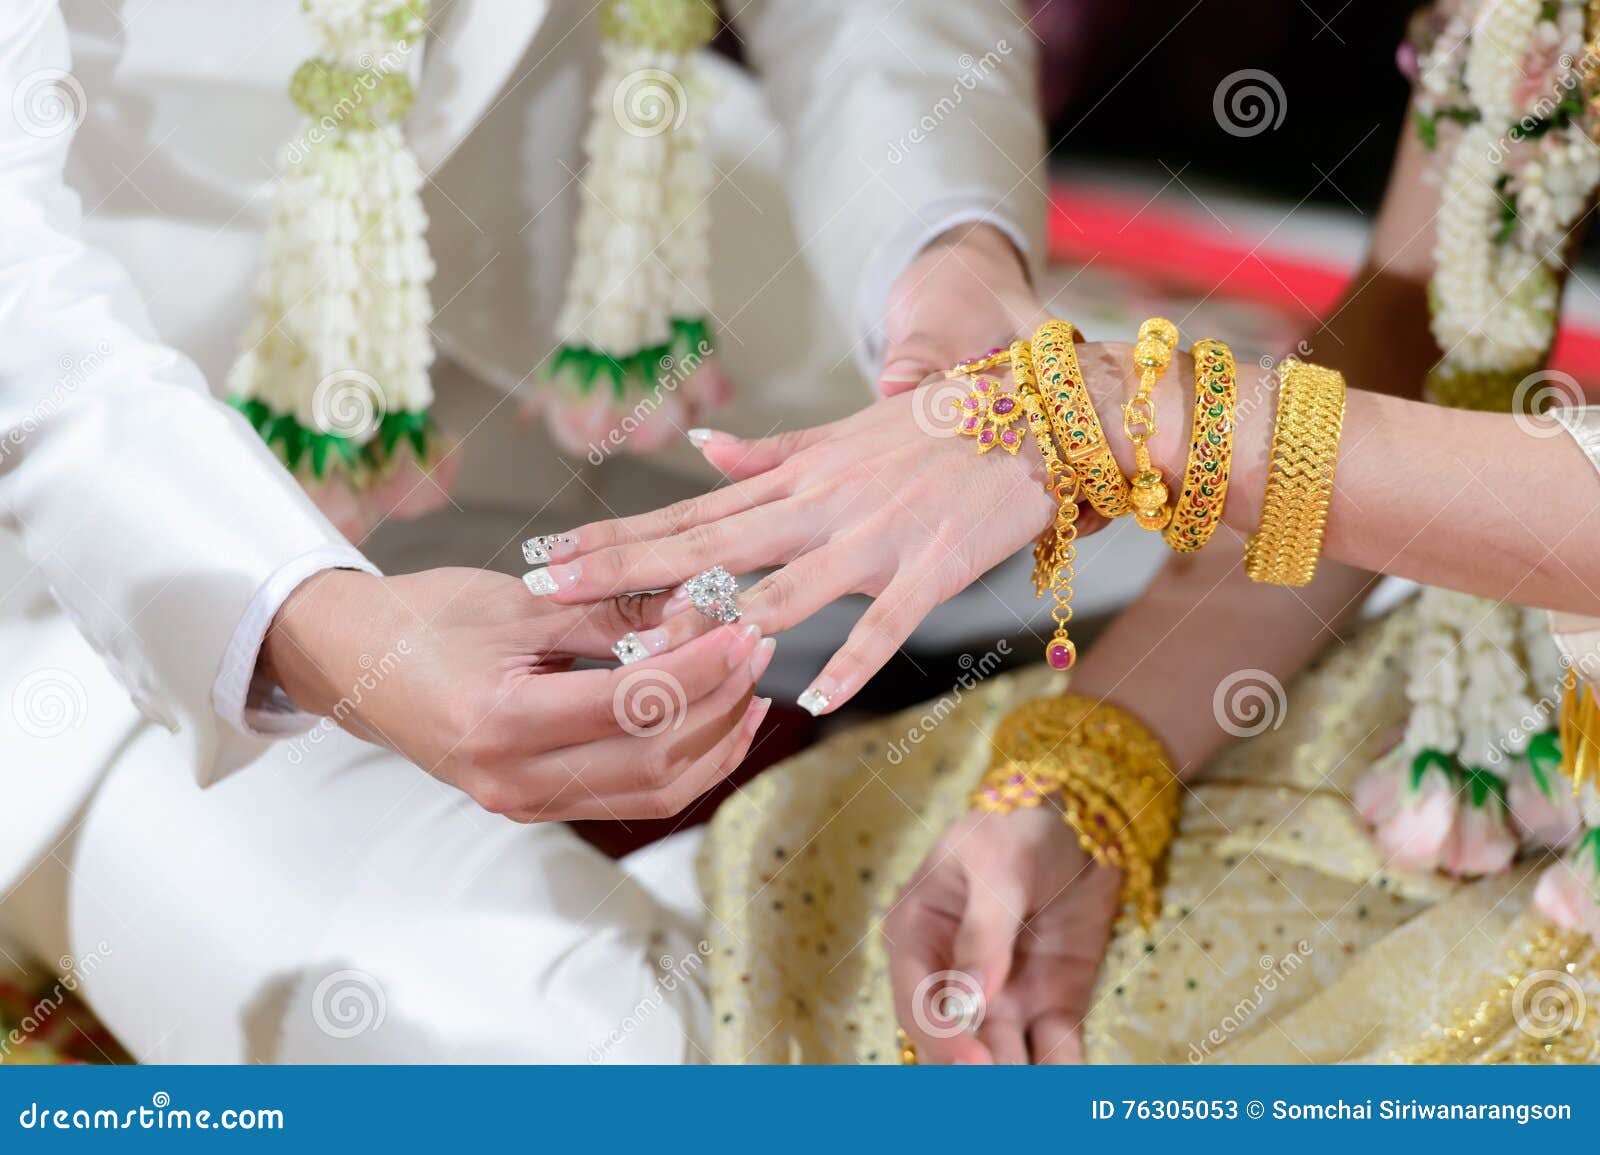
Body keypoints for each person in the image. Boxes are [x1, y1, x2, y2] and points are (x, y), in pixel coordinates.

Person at [537, 0, 1600, 1062]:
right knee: (843, 945)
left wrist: (1134, 420)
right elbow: (1421, 339)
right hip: (1493, 676)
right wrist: (1088, 776)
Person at [0, 0, 1045, 1061]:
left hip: (628, 249)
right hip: (81, 572)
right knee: (578, 1059)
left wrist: (948, 256)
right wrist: (324, 634)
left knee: (1132, 463)